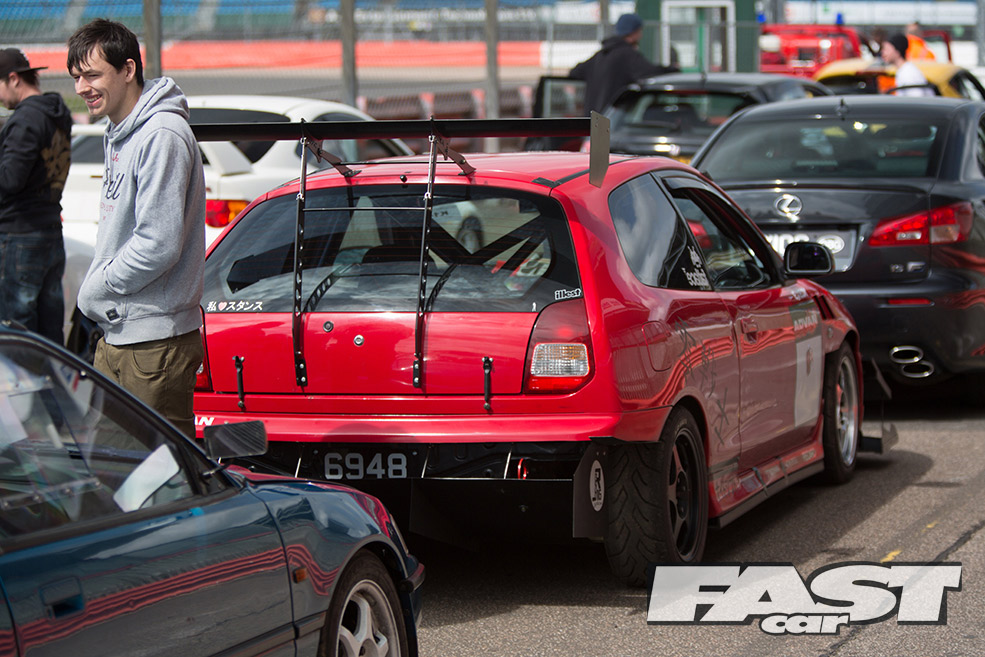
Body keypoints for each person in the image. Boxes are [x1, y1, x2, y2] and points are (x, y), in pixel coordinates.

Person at [67, 19, 206, 437]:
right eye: (76, 77)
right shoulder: (119, 130)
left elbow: (158, 244)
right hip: (120, 334)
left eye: (92, 75)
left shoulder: (161, 134)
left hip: (153, 344)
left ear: (128, 69)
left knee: (154, 469)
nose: (81, 88)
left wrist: (100, 285)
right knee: (112, 465)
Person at [0, 48, 72, 345]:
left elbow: (9, 179)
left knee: (17, 337)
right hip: (50, 230)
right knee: (49, 336)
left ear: (13, 79)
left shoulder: (26, 118)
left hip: (20, 235)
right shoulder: (57, 113)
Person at [569, 13, 677, 115]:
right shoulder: (628, 55)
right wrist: (673, 69)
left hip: (592, 121)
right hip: (611, 120)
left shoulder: (600, 55)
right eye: (640, 31)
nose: (641, 35)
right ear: (634, 33)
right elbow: (650, 72)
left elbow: (575, 72)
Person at [881, 32, 935, 97]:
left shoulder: (907, 74)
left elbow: (916, 99)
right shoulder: (905, 70)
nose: (883, 53)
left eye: (886, 49)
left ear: (897, 51)